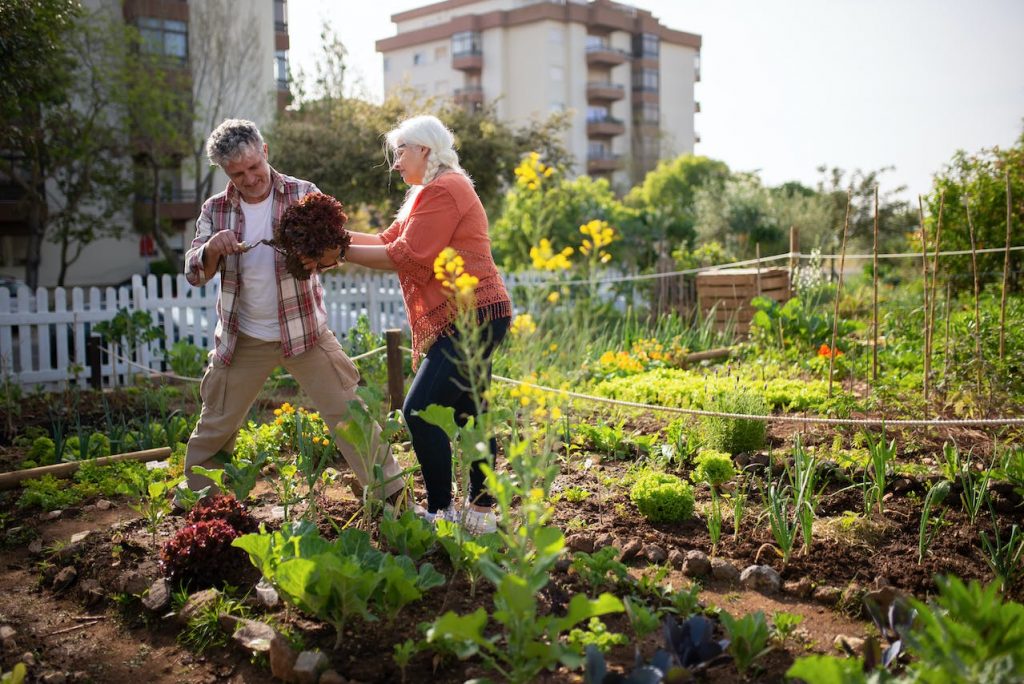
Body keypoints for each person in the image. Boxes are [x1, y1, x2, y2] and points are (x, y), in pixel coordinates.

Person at [182, 118, 403, 503]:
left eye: (254, 167)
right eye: (237, 174)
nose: (249, 178)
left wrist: (319, 254)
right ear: (225, 172)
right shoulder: (215, 210)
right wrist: (211, 249)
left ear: (264, 152)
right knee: (216, 425)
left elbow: (334, 252)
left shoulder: (303, 194)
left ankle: (393, 499)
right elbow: (194, 272)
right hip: (243, 338)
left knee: (351, 416)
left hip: (305, 333)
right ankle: (200, 508)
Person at [319, 115, 511, 534]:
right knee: (471, 412)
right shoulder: (429, 192)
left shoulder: (446, 189)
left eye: (400, 152)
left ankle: (443, 510)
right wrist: (333, 237)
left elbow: (407, 254)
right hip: (476, 313)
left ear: (424, 149)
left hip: (471, 315)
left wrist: (339, 250)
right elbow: (389, 241)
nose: (396, 163)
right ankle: (479, 515)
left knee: (419, 411)